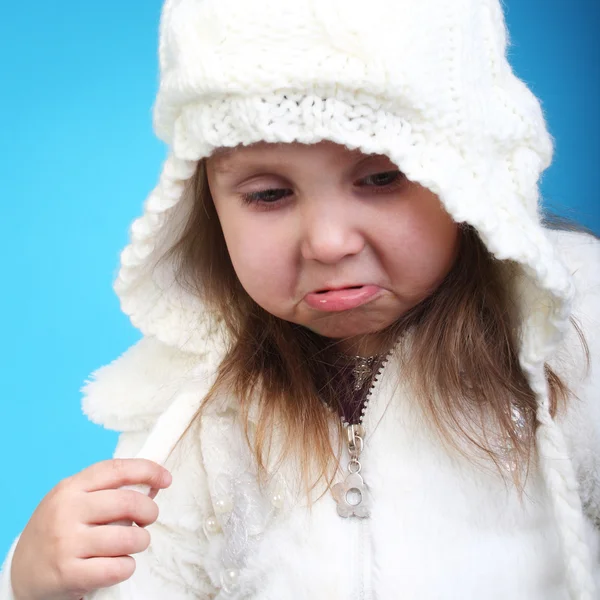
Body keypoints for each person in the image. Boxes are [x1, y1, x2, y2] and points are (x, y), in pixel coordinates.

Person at [2, 0, 599, 598]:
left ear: (471, 174)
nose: (329, 242)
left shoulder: (574, 335)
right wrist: (34, 586)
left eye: (381, 178)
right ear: (206, 203)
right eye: (268, 194)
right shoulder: (201, 403)